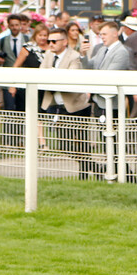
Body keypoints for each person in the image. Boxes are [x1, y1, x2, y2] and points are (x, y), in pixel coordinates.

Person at [40, 28, 97, 180]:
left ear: (64, 42)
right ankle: (97, 168)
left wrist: (51, 75)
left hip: (77, 106)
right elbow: (40, 74)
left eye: (54, 41)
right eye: (49, 41)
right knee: (64, 144)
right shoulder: (48, 55)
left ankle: (84, 176)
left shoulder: (74, 56)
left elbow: (69, 79)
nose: (50, 44)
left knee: (82, 144)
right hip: (56, 105)